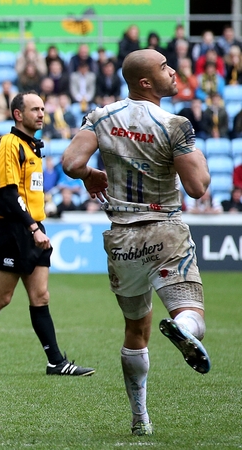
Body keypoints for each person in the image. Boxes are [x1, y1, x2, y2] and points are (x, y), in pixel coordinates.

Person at [61, 49, 213, 437]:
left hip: (123, 237)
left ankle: (139, 418)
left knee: (135, 329)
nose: (173, 71)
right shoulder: (174, 123)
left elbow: (70, 164)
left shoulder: (101, 116)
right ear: (146, 81)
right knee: (191, 315)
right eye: (164, 67)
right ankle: (183, 328)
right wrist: (196, 154)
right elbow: (198, 187)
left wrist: (91, 176)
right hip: (164, 229)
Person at [0, 91, 95, 378]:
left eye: (43, 108)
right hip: (13, 229)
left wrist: (37, 226)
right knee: (0, 297)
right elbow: (7, 195)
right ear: (18, 114)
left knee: (40, 295)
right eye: (34, 109)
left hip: (33, 227)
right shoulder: (8, 144)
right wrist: (31, 227)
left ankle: (56, 361)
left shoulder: (33, 148)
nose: (41, 113)